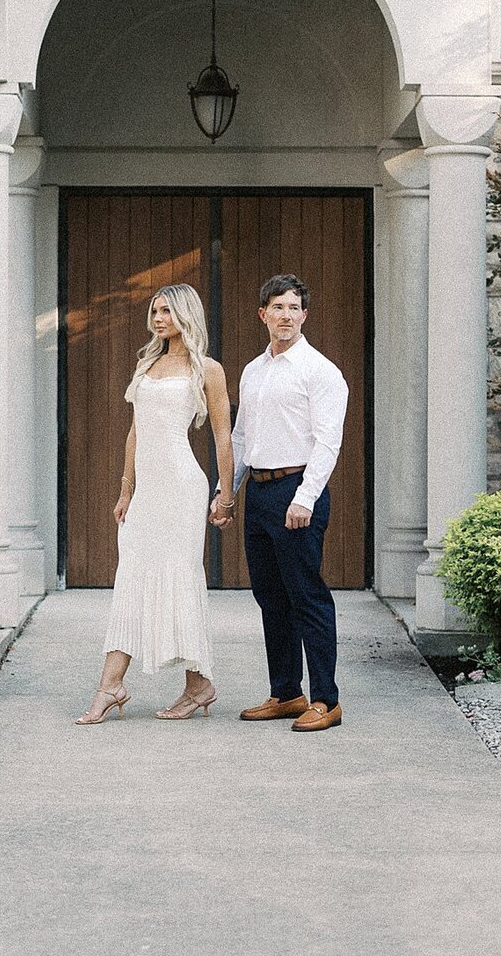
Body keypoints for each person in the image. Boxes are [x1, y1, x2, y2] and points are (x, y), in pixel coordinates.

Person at [75, 283, 235, 724]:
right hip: (148, 491)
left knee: (181, 577)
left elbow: (222, 434)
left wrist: (227, 492)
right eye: (154, 311)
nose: (157, 318)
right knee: (132, 575)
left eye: (166, 311)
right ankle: (112, 685)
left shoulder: (209, 369)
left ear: (185, 315)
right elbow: (134, 432)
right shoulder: (148, 363)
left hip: (183, 486)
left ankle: (196, 684)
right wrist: (126, 489)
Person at [211, 273, 348, 732]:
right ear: (263, 314)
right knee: (270, 596)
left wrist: (305, 497)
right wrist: (225, 493)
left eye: (293, 308)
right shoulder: (253, 371)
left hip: (298, 491)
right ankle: (287, 692)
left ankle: (326, 700)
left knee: (307, 596)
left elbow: (328, 442)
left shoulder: (321, 372)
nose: (285, 316)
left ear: (304, 315)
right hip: (260, 495)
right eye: (277, 307)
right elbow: (242, 436)